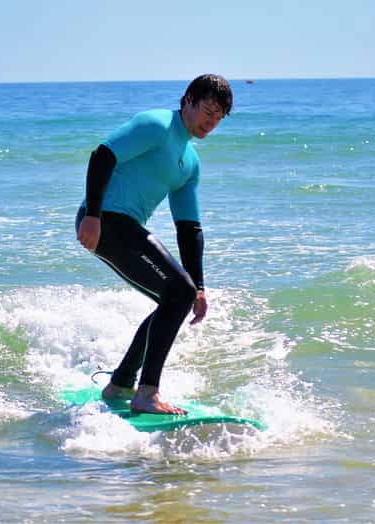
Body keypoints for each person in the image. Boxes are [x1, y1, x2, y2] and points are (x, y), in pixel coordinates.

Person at [75, 74, 232, 414]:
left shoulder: (189, 162)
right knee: (176, 292)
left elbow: (189, 227)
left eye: (219, 118)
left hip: (125, 226)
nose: (211, 122)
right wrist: (92, 215)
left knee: (177, 296)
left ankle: (121, 384)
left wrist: (199, 287)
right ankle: (145, 393)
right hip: (106, 220)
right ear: (188, 100)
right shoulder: (156, 125)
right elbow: (102, 156)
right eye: (208, 111)